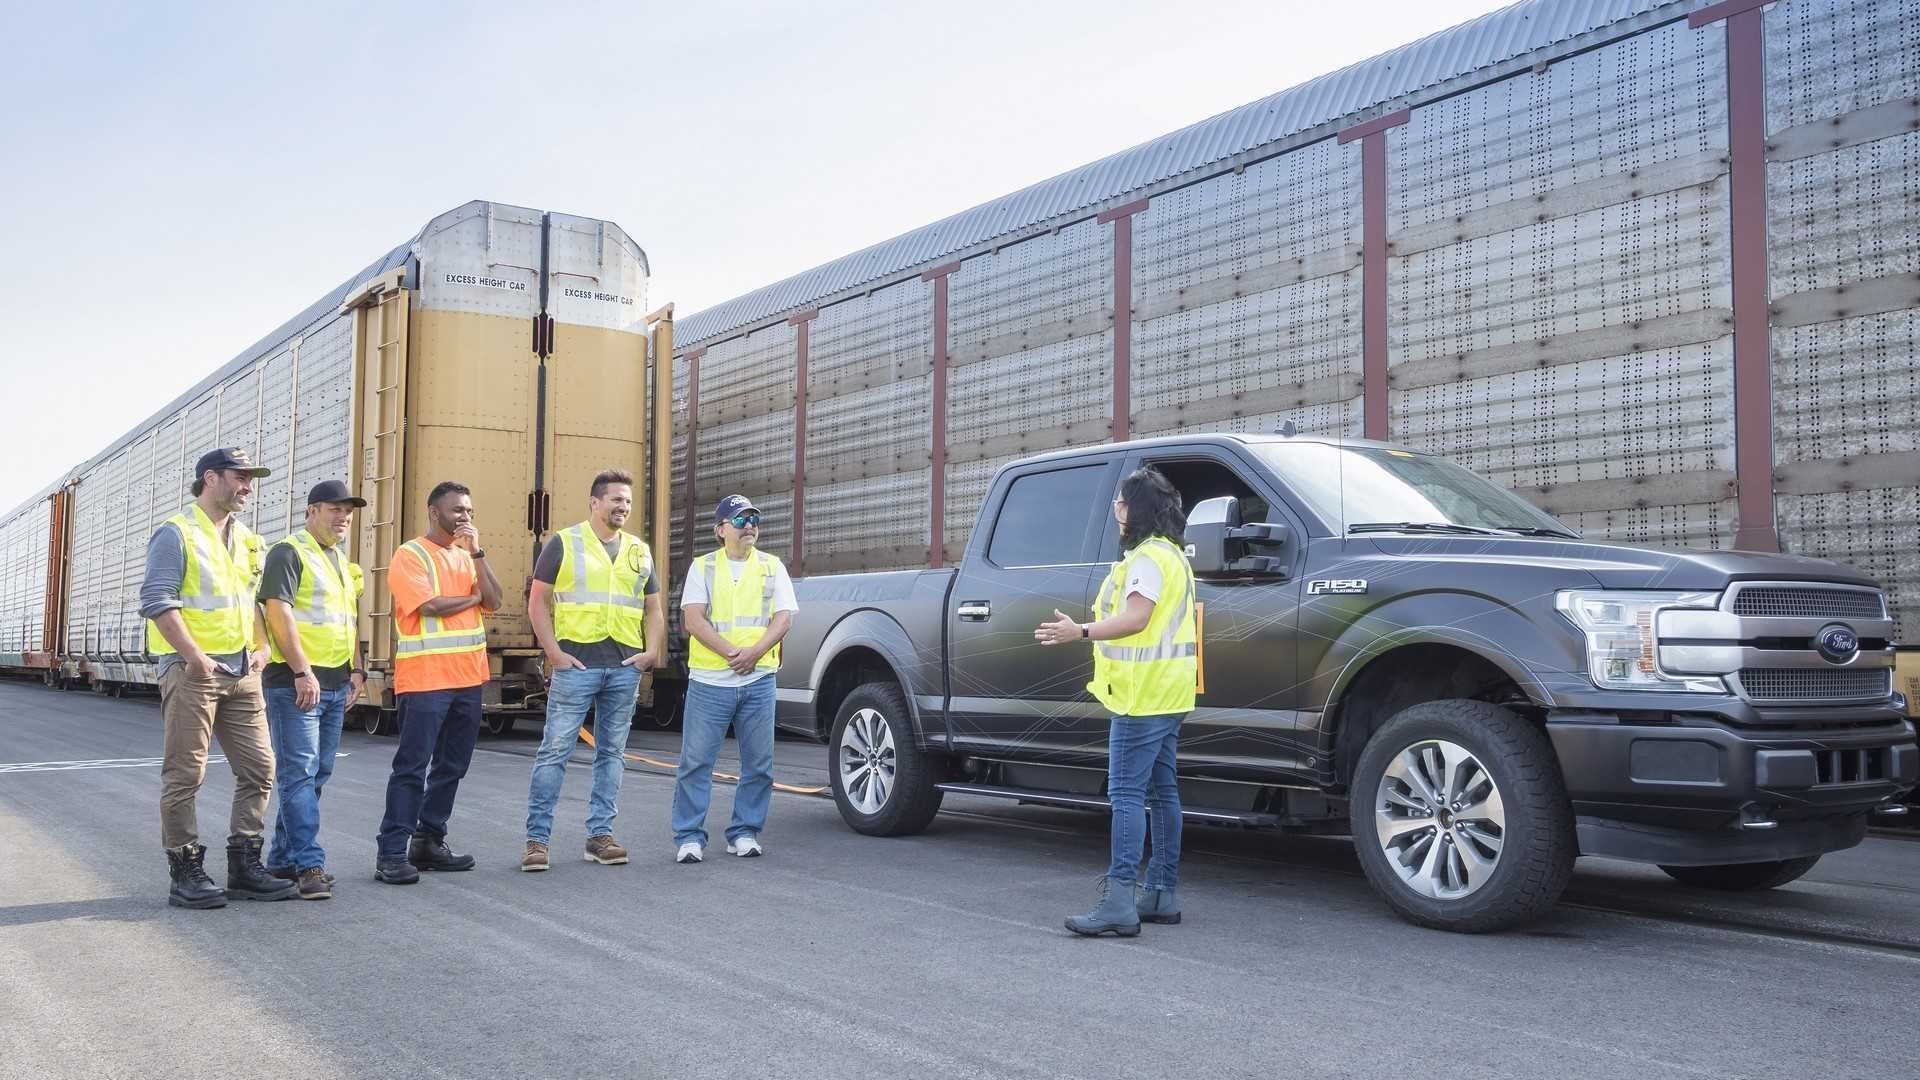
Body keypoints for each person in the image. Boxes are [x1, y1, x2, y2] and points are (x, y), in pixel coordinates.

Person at [1035, 467, 1197, 937]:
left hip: (1139, 695)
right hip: (1170, 691)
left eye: (1120, 504)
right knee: (1162, 792)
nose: (1116, 511)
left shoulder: (1146, 560)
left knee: (1126, 795)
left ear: (1136, 509)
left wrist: (1079, 631)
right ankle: (1162, 892)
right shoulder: (1172, 556)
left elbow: (1135, 620)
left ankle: (1119, 899)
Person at [141, 446, 295, 908]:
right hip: (192, 671)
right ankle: (184, 870)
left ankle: (245, 865)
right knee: (186, 773)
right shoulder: (177, 533)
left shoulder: (249, 539)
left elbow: (250, 602)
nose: (248, 486)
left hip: (242, 670)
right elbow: (157, 600)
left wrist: (263, 646)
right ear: (211, 478)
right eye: (240, 476)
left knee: (260, 768)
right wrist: (193, 656)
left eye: (251, 478)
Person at [521, 469, 665, 872]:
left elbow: (653, 607)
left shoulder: (638, 550)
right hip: (577, 665)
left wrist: (651, 651)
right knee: (554, 753)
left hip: (624, 666)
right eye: (617, 499)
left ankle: (600, 837)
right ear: (595, 503)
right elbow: (537, 602)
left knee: (612, 755)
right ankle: (537, 842)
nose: (624, 507)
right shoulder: (565, 543)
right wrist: (554, 653)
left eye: (628, 501)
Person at [374, 480, 502, 884]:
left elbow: (495, 601)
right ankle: (392, 853)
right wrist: (473, 598)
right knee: (411, 767)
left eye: (469, 511)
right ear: (434, 512)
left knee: (452, 766)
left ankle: (428, 840)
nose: (464, 517)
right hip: (426, 679)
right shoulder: (410, 555)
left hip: (468, 679)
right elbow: (430, 606)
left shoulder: (469, 556)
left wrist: (479, 555)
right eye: (457, 510)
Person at [257, 480, 367, 900]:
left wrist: (356, 669)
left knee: (316, 774)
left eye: (348, 512)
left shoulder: (340, 561)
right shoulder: (289, 552)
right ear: (311, 511)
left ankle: (283, 859)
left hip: (336, 683)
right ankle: (309, 863)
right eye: (334, 509)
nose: (343, 518)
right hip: (297, 684)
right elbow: (277, 613)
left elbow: (347, 619)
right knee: (298, 775)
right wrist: (303, 671)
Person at [672, 495, 796, 863]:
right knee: (696, 762)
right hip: (711, 680)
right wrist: (732, 653)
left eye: (754, 519)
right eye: (741, 521)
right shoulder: (703, 567)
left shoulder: (773, 567)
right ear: (721, 529)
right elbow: (694, 620)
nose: (750, 527)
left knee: (759, 764)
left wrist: (754, 654)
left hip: (757, 680)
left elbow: (784, 619)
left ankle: (745, 831)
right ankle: (689, 837)